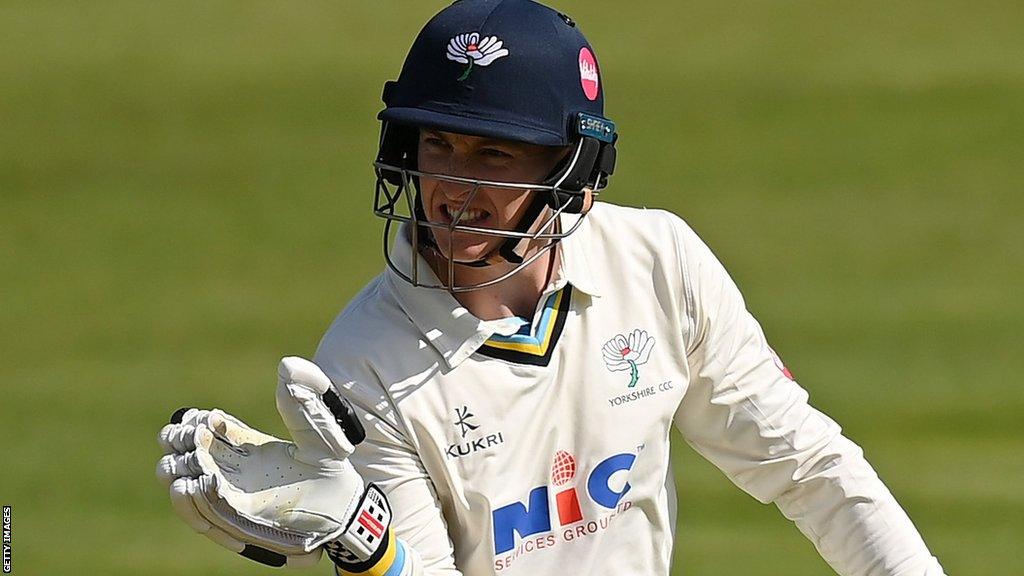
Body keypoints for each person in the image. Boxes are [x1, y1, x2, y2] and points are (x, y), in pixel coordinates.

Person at [156, 1, 947, 575]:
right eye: (438, 144)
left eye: (494, 156)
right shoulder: (364, 364)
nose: (453, 187)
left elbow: (811, 470)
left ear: (573, 174)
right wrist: (377, 552)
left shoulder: (657, 262)